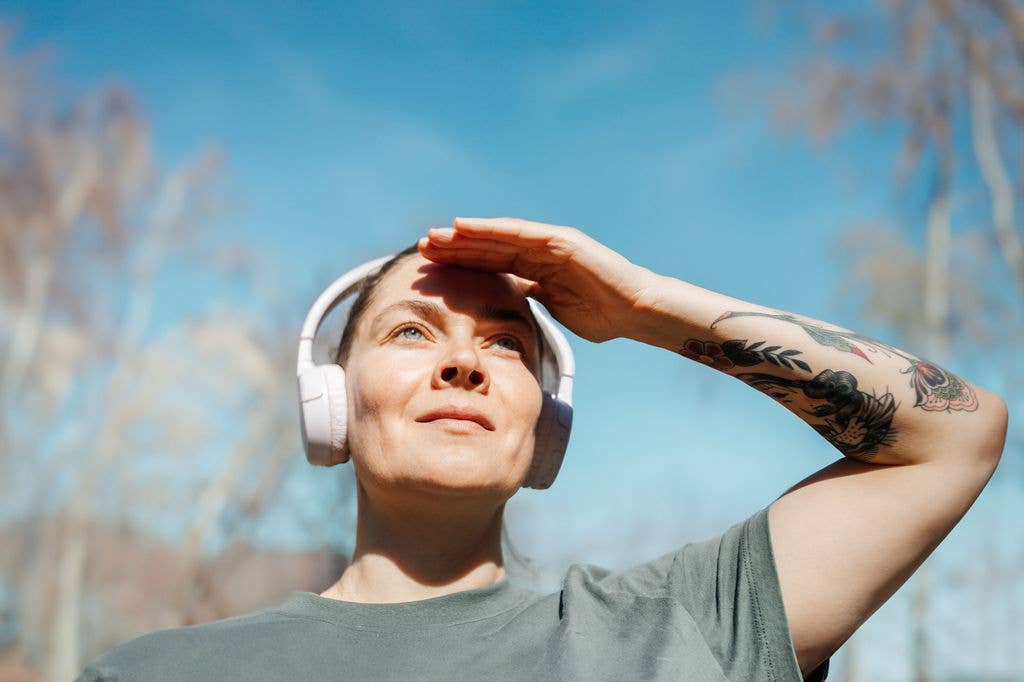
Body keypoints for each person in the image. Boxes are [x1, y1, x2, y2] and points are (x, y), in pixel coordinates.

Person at [77, 217, 1008, 681]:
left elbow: (955, 434)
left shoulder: (682, 633)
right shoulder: (154, 673)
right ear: (332, 402)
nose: (462, 365)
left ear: (545, 427)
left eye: (505, 344)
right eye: (410, 333)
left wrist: (646, 308)